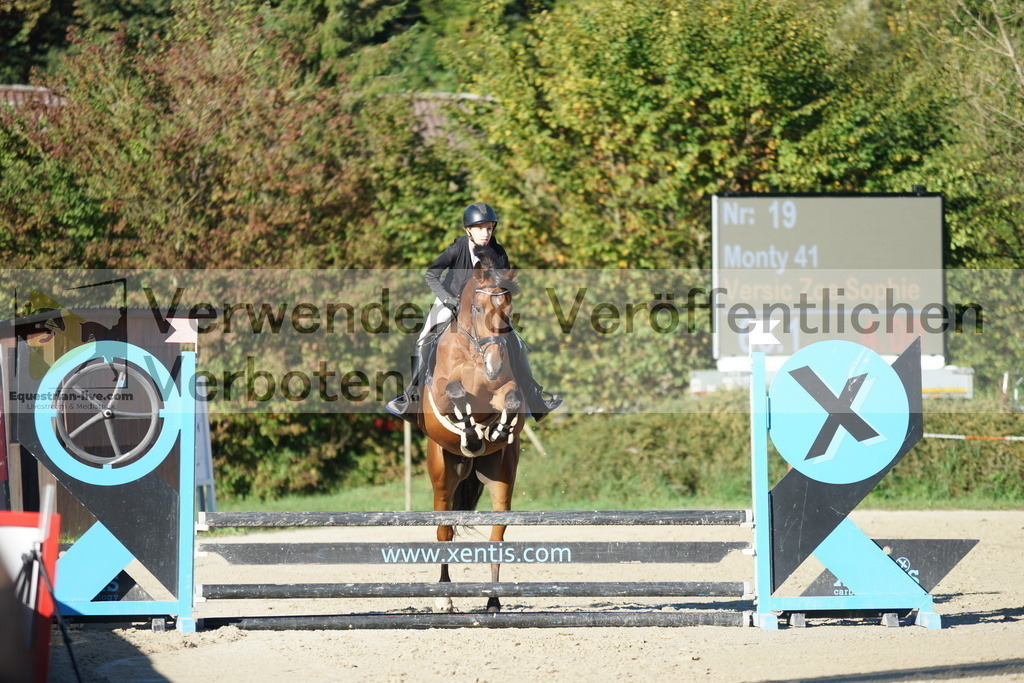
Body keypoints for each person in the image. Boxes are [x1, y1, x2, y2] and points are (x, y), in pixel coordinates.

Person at [386, 202, 561, 422]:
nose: (485, 233)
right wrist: (447, 299)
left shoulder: (498, 251)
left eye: (489, 228)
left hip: (485, 307)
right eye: (479, 228)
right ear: (468, 230)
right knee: (423, 339)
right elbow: (431, 275)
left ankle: (535, 398)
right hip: (451, 301)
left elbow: (503, 285)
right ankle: (411, 397)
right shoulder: (457, 249)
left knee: (515, 341)